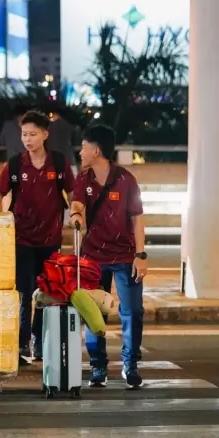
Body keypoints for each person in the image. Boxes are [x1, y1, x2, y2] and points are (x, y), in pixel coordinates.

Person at [0, 110, 75, 362]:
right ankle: (21, 343)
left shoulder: (58, 163)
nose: (28, 139)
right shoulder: (14, 164)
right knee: (24, 294)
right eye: (24, 134)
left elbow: (73, 193)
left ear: (45, 134)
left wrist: (78, 212)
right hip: (21, 239)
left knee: (45, 295)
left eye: (33, 134)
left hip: (50, 241)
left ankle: (38, 339)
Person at [69, 124, 147, 389]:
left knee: (133, 311)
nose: (80, 151)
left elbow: (137, 220)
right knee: (93, 313)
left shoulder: (126, 180)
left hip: (125, 256)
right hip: (92, 255)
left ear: (97, 149)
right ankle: (98, 365)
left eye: (84, 146)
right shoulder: (82, 179)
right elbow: (77, 203)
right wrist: (76, 216)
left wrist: (141, 255)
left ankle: (130, 364)